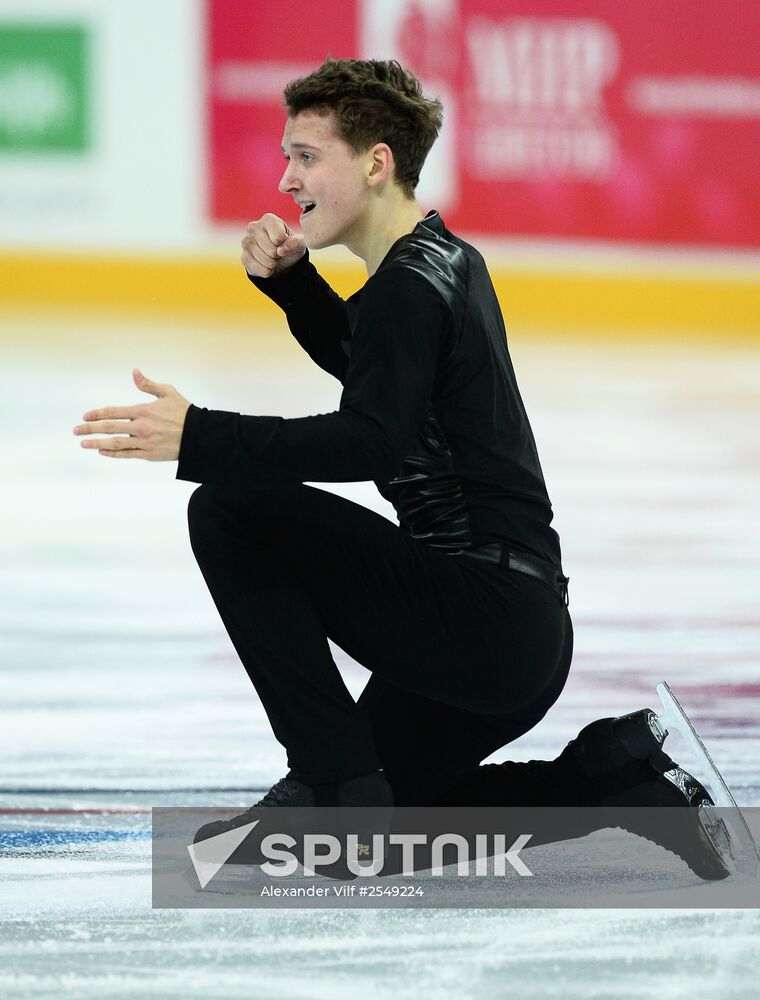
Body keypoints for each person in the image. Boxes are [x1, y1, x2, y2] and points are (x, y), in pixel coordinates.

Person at [74, 58, 727, 880]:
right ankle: (610, 779)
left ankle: (327, 776)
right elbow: (386, 381)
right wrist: (295, 286)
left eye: (307, 156)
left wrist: (201, 435)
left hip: (478, 617)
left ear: (376, 162)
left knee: (229, 507)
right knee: (353, 848)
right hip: (508, 630)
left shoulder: (407, 289)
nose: (286, 179)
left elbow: (370, 438)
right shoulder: (443, 260)